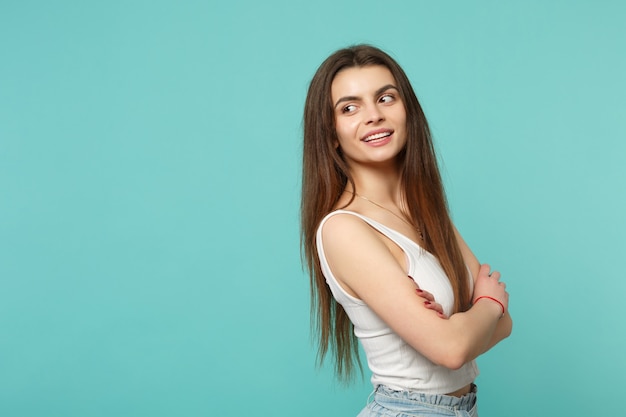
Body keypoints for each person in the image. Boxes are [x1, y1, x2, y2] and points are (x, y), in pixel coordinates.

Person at [301, 45, 512, 417]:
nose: (374, 116)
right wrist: (486, 305)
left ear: (407, 111)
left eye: (385, 98)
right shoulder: (344, 229)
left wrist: (463, 325)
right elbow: (453, 349)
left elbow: (505, 326)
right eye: (349, 107)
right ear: (331, 134)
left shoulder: (427, 212)